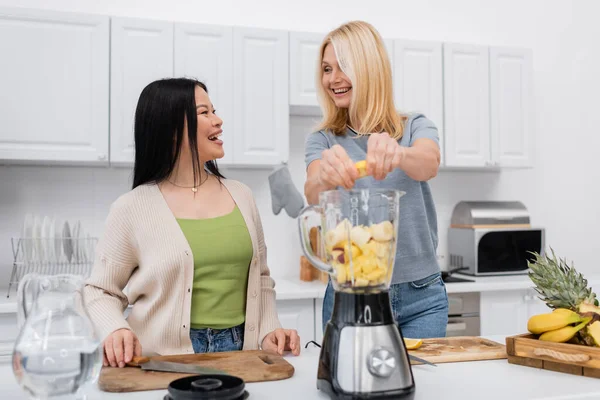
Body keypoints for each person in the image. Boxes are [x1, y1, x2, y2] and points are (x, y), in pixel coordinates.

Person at [83, 78, 300, 369]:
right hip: (162, 362)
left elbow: (260, 277)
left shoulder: (241, 195)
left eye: (215, 111)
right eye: (204, 113)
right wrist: (115, 327)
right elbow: (100, 290)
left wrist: (269, 329)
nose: (218, 121)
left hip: (241, 355)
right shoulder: (132, 207)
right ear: (171, 127)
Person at [304, 21, 449, 339]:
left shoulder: (413, 126)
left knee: (427, 388)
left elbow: (429, 163)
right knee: (348, 386)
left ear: (369, 68)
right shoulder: (323, 139)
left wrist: (399, 154)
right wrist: (325, 176)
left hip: (421, 296)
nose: (333, 79)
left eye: (343, 66)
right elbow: (312, 190)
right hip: (350, 295)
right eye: (327, 69)